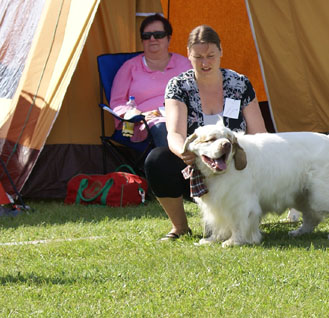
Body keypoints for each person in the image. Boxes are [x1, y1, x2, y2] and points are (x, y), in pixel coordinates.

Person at [143, 25, 268, 240]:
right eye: (198, 57)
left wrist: (243, 158)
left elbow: (260, 134)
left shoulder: (240, 83)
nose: (205, 63)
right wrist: (183, 153)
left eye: (210, 55)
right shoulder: (178, 86)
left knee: (218, 230)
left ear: (221, 52)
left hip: (235, 164)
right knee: (157, 160)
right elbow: (174, 133)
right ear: (188, 55)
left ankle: (239, 221)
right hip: (197, 164)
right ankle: (180, 227)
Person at [109, 14, 191, 147]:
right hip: (148, 121)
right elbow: (118, 102)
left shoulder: (184, 64)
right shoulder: (129, 67)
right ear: (142, 41)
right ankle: (172, 167)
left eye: (158, 35)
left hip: (184, 116)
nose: (152, 39)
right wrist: (136, 114)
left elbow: (199, 93)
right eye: (146, 36)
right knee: (162, 127)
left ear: (169, 39)